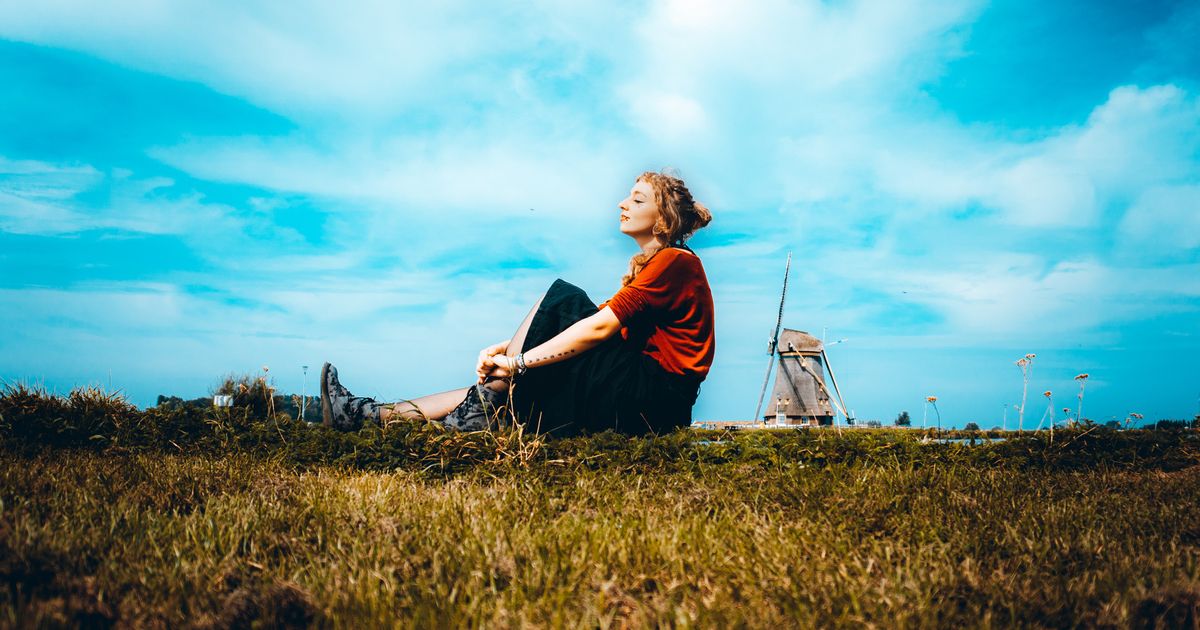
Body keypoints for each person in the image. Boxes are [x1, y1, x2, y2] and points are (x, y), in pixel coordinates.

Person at [320, 170, 715, 437]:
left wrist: (518, 360)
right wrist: (506, 349)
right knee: (499, 388)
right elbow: (589, 328)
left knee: (564, 300)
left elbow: (597, 327)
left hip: (653, 402)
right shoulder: (657, 268)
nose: (622, 203)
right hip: (647, 406)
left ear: (660, 215)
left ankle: (479, 411)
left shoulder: (674, 262)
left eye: (637, 198)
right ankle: (366, 415)